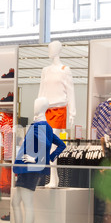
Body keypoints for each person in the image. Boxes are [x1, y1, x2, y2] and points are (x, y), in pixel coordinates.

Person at [10, 97, 66, 223]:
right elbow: (61, 144)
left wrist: (37, 159)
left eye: (38, 105)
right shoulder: (43, 125)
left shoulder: (41, 125)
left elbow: (46, 145)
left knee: (26, 204)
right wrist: (49, 157)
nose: (35, 107)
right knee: (16, 202)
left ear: (44, 108)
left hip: (30, 169)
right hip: (27, 168)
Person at [38, 40, 76, 188]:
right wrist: (37, 111)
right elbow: (41, 91)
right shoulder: (45, 70)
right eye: (49, 47)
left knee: (53, 145)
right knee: (45, 144)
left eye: (52, 47)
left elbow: (71, 91)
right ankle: (52, 177)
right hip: (45, 109)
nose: (50, 50)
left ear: (59, 50)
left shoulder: (65, 69)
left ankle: (54, 179)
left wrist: (72, 112)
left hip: (59, 109)